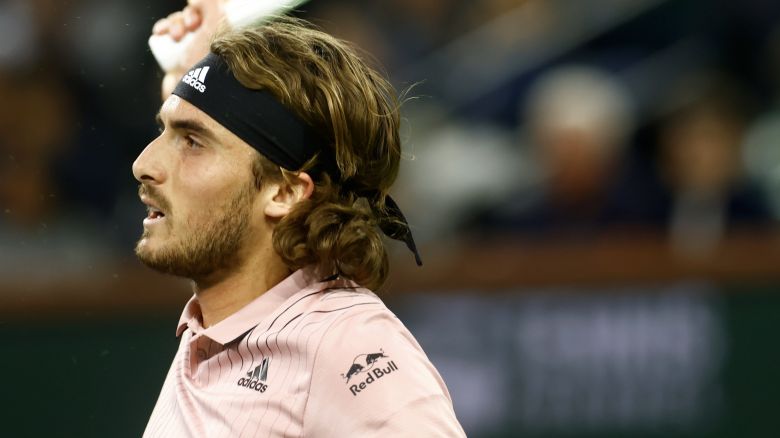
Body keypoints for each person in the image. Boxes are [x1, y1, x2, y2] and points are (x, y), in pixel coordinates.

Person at [134, 16, 465, 438]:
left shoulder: (348, 343)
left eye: (193, 142)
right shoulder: (216, 324)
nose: (143, 165)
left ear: (284, 191)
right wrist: (195, 61)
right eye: (165, 131)